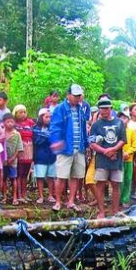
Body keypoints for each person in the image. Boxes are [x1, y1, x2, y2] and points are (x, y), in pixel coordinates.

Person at [50, 84, 90, 212]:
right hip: (66, 147)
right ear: (68, 95)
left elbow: (84, 128)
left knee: (76, 176)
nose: (78, 98)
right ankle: (57, 201)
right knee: (61, 176)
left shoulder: (81, 110)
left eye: (79, 96)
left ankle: (71, 201)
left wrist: (86, 144)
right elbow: (55, 127)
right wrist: (56, 141)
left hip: (79, 147)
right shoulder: (60, 109)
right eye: (75, 96)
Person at [89, 97, 126, 218]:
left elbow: (122, 140)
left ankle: (115, 211)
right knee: (100, 184)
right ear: (99, 110)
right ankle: (101, 211)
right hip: (102, 160)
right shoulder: (96, 125)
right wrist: (106, 151)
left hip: (117, 159)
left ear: (111, 109)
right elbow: (92, 143)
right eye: (102, 109)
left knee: (116, 185)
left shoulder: (119, 123)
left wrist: (114, 149)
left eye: (106, 108)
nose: (104, 111)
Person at [33, 108, 56, 204]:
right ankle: (41, 196)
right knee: (40, 177)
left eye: (50, 117)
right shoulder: (35, 128)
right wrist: (44, 136)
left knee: (51, 176)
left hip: (51, 156)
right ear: (41, 117)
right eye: (46, 117)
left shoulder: (53, 128)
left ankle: (51, 195)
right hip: (40, 156)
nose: (48, 119)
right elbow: (36, 141)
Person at [13, 104, 35, 203]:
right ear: (15, 113)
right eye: (20, 112)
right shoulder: (14, 124)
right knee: (19, 173)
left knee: (25, 173)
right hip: (19, 149)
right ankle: (18, 195)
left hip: (29, 149)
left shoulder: (30, 123)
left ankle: (24, 194)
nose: (23, 114)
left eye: (24, 112)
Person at [2, 113, 23, 205]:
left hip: (13, 161)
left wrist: (13, 158)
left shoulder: (17, 134)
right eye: (8, 122)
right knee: (3, 179)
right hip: (2, 160)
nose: (10, 124)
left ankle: (15, 197)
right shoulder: (1, 133)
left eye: (12, 122)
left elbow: (19, 148)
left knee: (13, 178)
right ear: (4, 123)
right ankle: (4, 196)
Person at [118, 110, 136, 207]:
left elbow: (134, 145)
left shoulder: (131, 132)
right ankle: (118, 199)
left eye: (124, 118)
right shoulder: (116, 130)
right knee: (119, 180)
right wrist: (122, 152)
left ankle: (125, 199)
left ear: (128, 120)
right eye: (121, 118)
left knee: (128, 179)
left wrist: (127, 152)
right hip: (119, 159)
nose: (122, 120)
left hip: (129, 159)